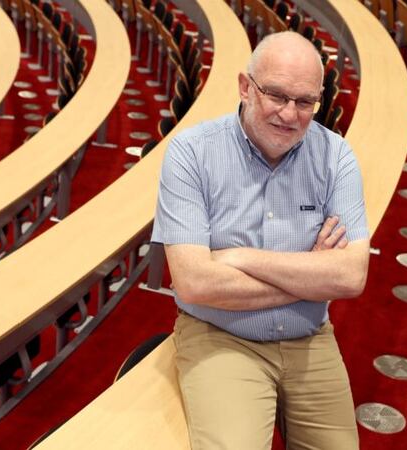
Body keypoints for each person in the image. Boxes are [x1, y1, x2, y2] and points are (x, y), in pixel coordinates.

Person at [152, 31, 369, 450]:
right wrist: (308, 272)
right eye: (276, 95)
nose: (289, 115)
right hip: (220, 336)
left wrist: (238, 258)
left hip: (310, 337)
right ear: (245, 87)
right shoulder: (191, 154)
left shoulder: (337, 157)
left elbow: (350, 276)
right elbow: (195, 284)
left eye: (305, 102)